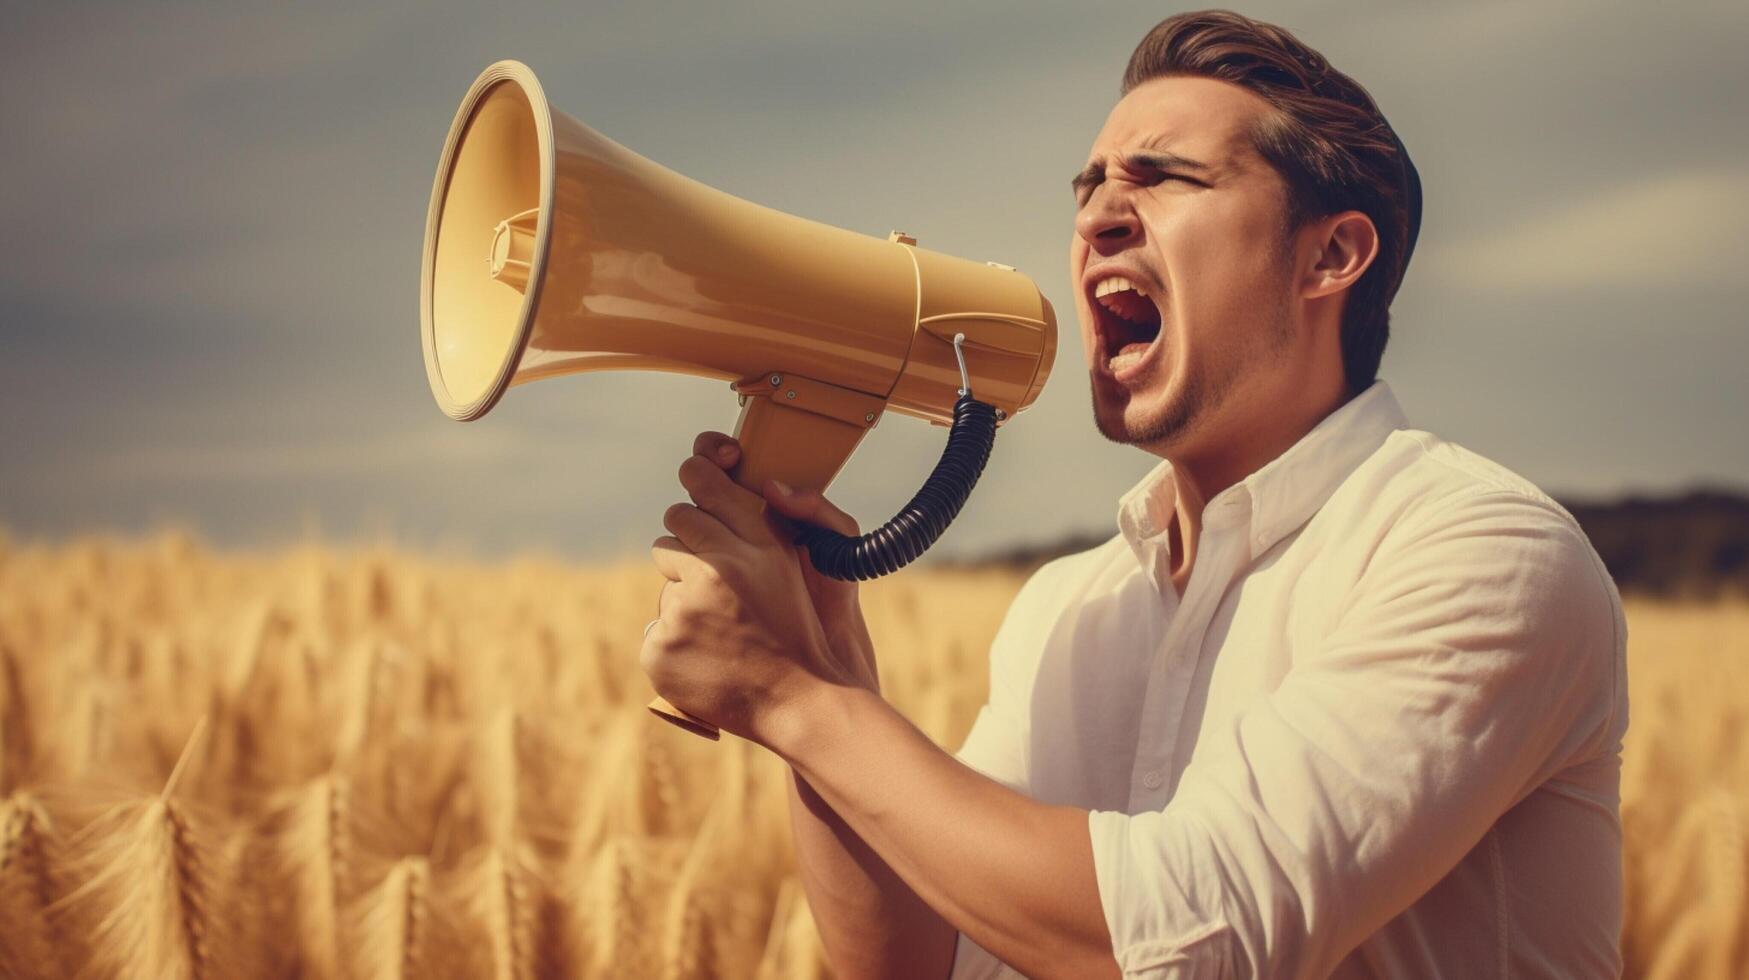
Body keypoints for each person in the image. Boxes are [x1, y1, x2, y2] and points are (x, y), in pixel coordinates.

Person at [641, 9, 1628, 978]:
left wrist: (793, 696)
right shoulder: (1069, 606)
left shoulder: (1479, 551)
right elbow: (925, 959)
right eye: (1092, 188)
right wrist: (829, 670)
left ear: (1331, 255)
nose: (1099, 215)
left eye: (1165, 178)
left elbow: (1193, 942)